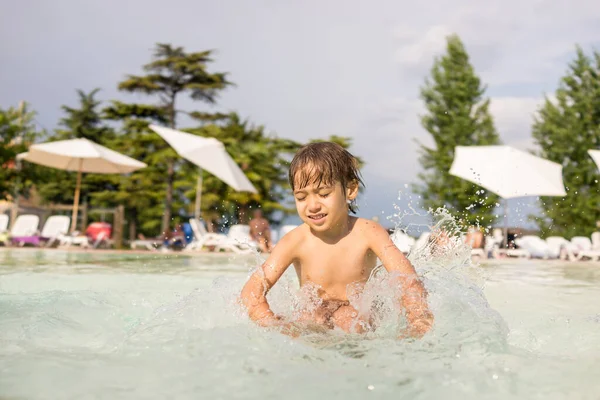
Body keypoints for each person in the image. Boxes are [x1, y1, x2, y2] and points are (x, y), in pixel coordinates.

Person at [240, 142, 433, 338]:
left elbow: (407, 279)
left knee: (350, 319)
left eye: (323, 194)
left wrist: (418, 318)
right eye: (301, 197)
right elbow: (251, 292)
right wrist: (271, 322)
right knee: (305, 319)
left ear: (350, 190)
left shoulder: (368, 232)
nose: (312, 205)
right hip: (314, 317)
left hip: (357, 316)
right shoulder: (294, 241)